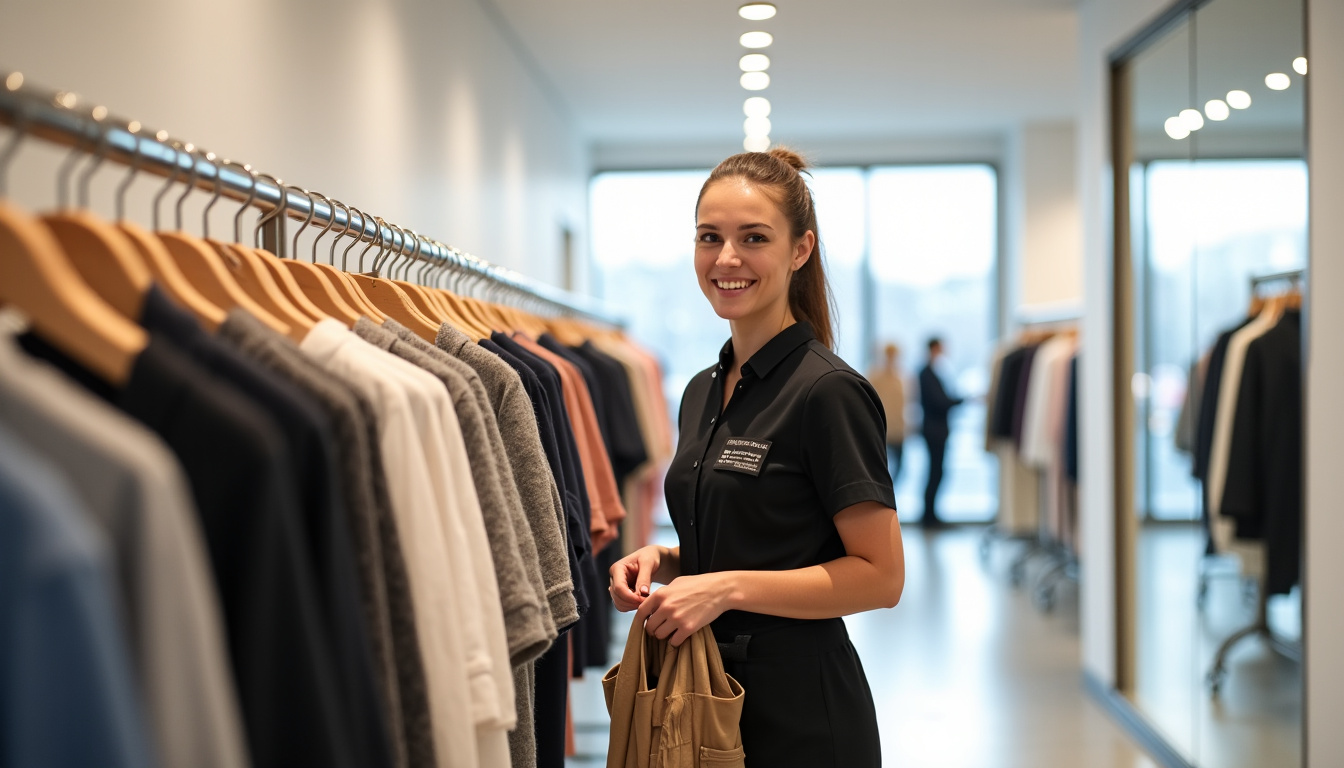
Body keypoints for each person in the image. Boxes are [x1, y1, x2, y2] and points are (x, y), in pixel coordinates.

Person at [608, 148, 904, 768]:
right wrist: (664, 560)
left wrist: (721, 589)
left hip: (799, 713)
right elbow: (766, 536)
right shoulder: (700, 391)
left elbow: (881, 575)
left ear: (800, 250)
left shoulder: (828, 393)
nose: (727, 259)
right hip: (704, 695)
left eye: (754, 238)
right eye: (709, 237)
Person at [918, 337, 963, 527]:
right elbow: (939, 402)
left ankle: (931, 515)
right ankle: (929, 517)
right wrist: (962, 400)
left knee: (937, 471)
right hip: (934, 430)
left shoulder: (932, 372)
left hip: (936, 429)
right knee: (935, 471)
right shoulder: (927, 373)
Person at [867, 342, 908, 486]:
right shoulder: (875, 376)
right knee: (880, 467)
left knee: (900, 467)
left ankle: (890, 495)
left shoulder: (901, 377)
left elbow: (904, 403)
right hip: (881, 428)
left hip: (898, 428)